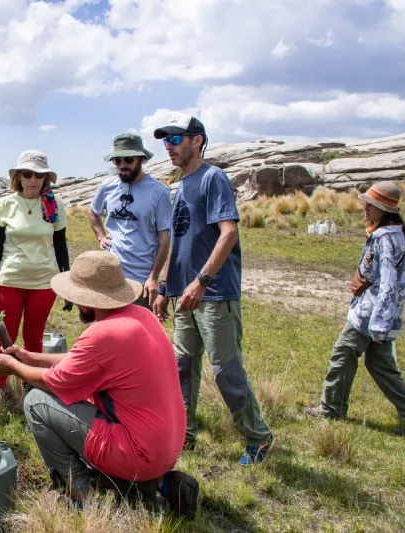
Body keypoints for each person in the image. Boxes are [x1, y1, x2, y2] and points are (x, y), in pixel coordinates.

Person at [0, 251, 198, 518]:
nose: (73, 303)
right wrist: (29, 357)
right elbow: (82, 362)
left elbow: (55, 382)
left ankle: (81, 495)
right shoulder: (140, 316)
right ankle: (161, 484)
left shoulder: (101, 334)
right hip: (167, 447)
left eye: (76, 297)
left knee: (36, 402)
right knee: (84, 405)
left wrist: (14, 368)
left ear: (88, 301)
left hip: (139, 452)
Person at [152, 114, 274, 466]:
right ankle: (184, 433)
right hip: (186, 296)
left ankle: (259, 437)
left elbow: (229, 233)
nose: (169, 147)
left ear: (197, 140)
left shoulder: (213, 178)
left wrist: (201, 282)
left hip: (214, 293)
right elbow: (179, 243)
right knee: (183, 366)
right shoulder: (181, 186)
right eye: (166, 141)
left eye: (176, 140)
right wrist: (165, 288)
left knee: (225, 369)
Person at [305, 181, 405, 438]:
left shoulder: (386, 239)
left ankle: (331, 408)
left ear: (383, 209)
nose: (365, 208)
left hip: (370, 316)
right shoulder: (396, 234)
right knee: (381, 366)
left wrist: (377, 324)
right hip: (382, 314)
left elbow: (388, 283)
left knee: (342, 352)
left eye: (371, 205)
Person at [0, 150, 70, 389]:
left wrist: (67, 280)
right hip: (10, 280)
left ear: (45, 179)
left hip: (44, 282)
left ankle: (32, 389)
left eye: (38, 175)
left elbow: (61, 246)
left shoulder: (54, 204)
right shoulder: (6, 205)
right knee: (4, 337)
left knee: (34, 340)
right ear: (18, 177)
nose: (33, 179)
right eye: (27, 174)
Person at [87, 133, 172, 308]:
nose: (123, 165)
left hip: (141, 281)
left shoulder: (159, 192)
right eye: (117, 161)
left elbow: (165, 239)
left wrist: (154, 277)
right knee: (108, 330)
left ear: (142, 159)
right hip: (110, 275)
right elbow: (93, 212)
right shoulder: (107, 186)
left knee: (137, 331)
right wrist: (101, 236)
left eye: (128, 160)